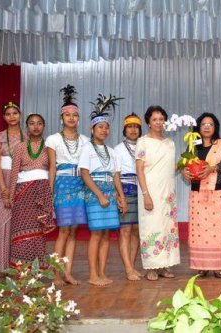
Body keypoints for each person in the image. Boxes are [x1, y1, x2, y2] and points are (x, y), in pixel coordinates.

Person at [79, 94, 128, 286]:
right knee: (97, 233)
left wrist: (121, 198)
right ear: (92, 129)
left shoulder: (112, 152)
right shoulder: (87, 149)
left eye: (107, 127)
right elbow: (84, 174)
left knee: (107, 234)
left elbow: (116, 176)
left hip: (110, 193)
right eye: (100, 127)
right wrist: (99, 195)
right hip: (95, 194)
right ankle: (92, 275)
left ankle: (102, 272)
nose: (104, 130)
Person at [47, 85, 89, 285]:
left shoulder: (86, 140)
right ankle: (55, 274)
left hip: (80, 185)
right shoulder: (53, 139)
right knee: (63, 230)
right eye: (68, 115)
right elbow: (52, 168)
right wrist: (50, 191)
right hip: (63, 185)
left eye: (75, 115)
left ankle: (68, 273)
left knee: (73, 230)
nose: (71, 118)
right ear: (61, 117)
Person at [182, 113, 221, 279]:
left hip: (219, 192)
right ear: (198, 127)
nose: (207, 127)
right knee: (199, 231)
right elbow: (185, 165)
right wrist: (185, 171)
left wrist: (212, 168)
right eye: (204, 124)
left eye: (210, 124)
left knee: (219, 230)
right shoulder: (193, 146)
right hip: (198, 192)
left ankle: (218, 267)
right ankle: (201, 266)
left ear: (215, 127)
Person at [136, 105, 180, 281]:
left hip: (167, 193)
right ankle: (151, 268)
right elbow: (139, 169)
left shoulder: (170, 143)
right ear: (148, 121)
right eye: (154, 119)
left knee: (166, 228)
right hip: (150, 191)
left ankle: (163, 266)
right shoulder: (143, 142)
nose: (158, 122)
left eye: (161, 119)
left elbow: (171, 168)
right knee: (151, 227)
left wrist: (187, 162)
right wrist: (146, 193)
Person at [9, 113, 55, 267]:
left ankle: (36, 269)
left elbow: (52, 170)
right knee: (21, 229)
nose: (36, 126)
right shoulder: (20, 147)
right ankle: (20, 268)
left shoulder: (49, 148)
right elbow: (14, 171)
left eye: (39, 123)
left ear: (44, 126)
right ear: (26, 126)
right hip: (23, 193)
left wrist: (50, 191)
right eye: (32, 123)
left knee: (38, 232)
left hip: (42, 192)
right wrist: (10, 195)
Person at [0, 101, 25, 271]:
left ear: (20, 115)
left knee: (20, 224)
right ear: (4, 117)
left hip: (21, 180)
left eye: (15, 113)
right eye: (8, 114)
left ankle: (18, 265)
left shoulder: (26, 136)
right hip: (2, 178)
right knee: (2, 224)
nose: (12, 117)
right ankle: (2, 268)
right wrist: (4, 189)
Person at [114, 113, 143, 281]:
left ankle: (131, 266)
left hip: (142, 190)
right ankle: (128, 268)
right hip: (126, 189)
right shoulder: (117, 149)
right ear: (125, 129)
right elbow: (116, 174)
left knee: (137, 231)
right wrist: (120, 195)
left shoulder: (144, 146)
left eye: (136, 127)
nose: (133, 130)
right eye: (130, 126)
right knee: (125, 230)